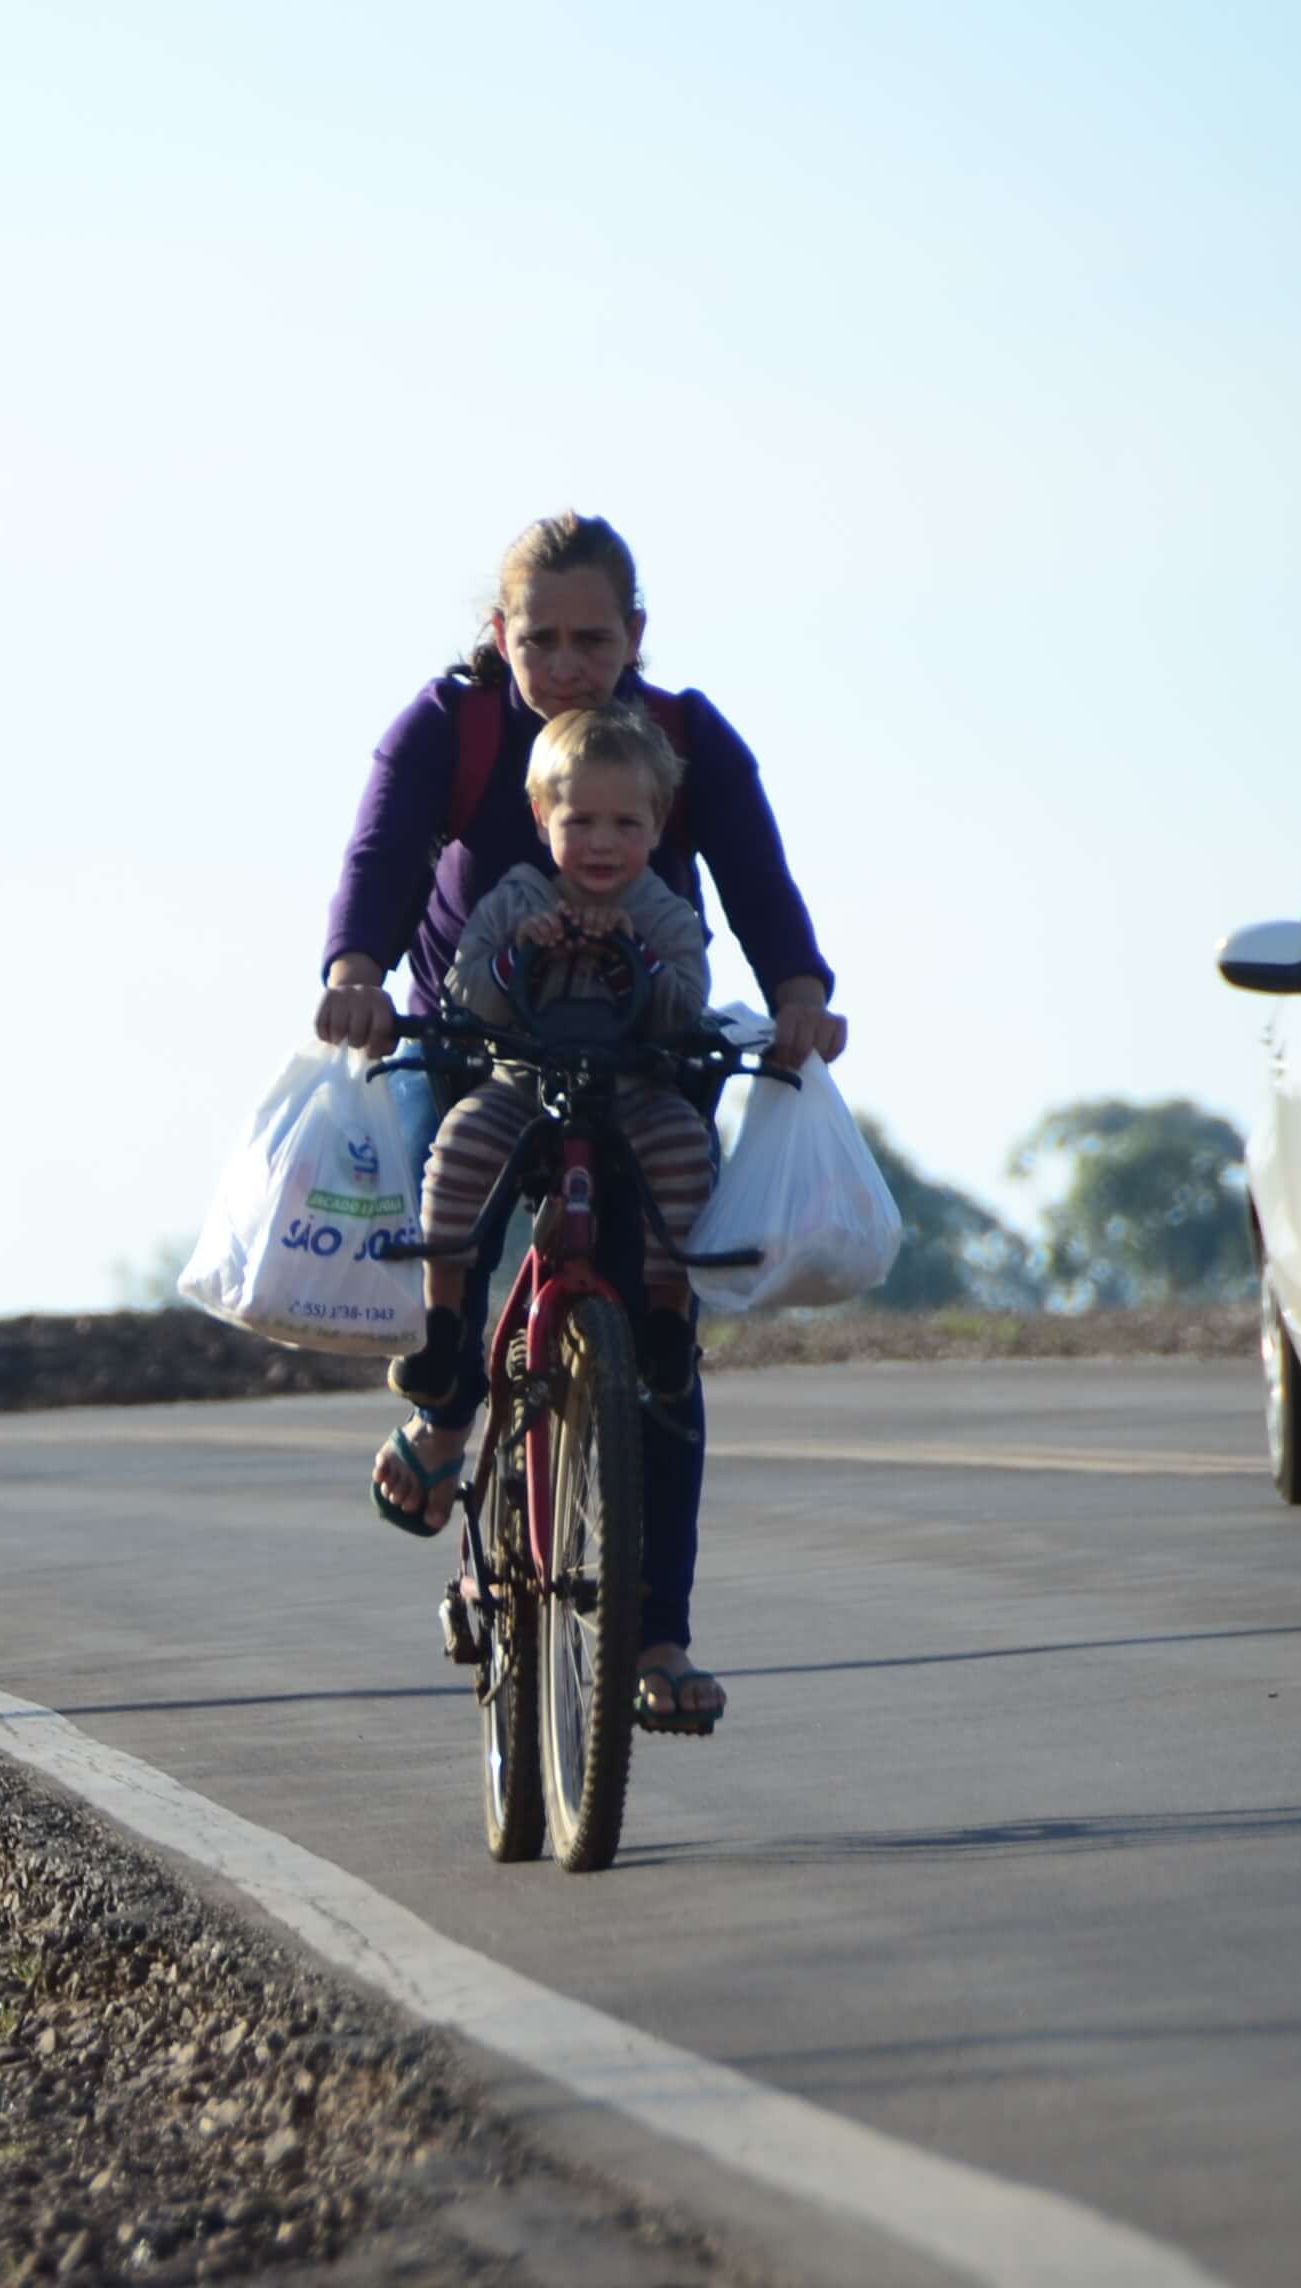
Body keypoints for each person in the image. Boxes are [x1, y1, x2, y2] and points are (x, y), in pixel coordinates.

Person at [317, 512, 847, 1732]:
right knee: (448, 1196)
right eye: (540, 639)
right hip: (470, 1035)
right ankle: (449, 1402)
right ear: (499, 634)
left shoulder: (679, 739)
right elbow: (382, 857)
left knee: (659, 1327)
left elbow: (762, 883)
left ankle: (656, 1635)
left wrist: (801, 1003)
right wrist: (354, 972)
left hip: (648, 1045)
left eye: (592, 640)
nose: (565, 664)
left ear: (637, 637)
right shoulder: (451, 728)